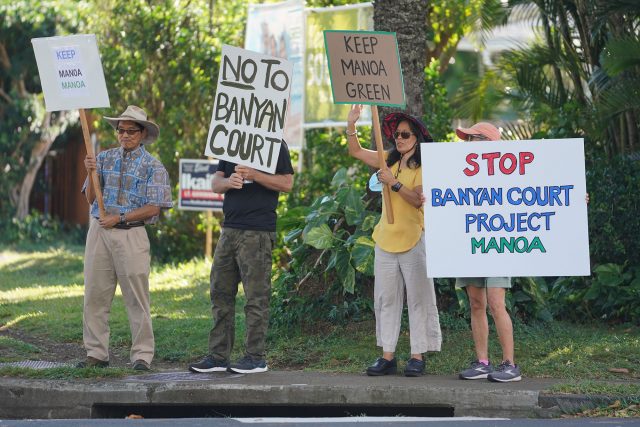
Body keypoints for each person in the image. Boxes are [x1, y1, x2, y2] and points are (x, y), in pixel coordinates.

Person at [346, 104, 442, 377]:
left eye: (405, 134)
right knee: (386, 299)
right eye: (397, 135)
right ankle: (387, 356)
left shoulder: (424, 167)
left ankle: (417, 355)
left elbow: (417, 200)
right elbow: (356, 151)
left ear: (417, 138)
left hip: (414, 239)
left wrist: (394, 183)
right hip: (385, 240)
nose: (399, 138)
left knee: (419, 299)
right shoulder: (389, 159)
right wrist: (351, 124)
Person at [78, 105, 173, 371]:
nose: (125, 135)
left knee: (137, 298)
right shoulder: (103, 159)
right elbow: (89, 199)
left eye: (132, 131)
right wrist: (90, 172)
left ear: (143, 134)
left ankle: (142, 355)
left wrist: (120, 218)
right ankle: (96, 354)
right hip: (99, 232)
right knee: (95, 294)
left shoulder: (154, 167)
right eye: (121, 130)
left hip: (132, 235)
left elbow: (155, 207)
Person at [188, 141, 294, 374]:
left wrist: (255, 175)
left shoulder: (275, 143)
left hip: (258, 231)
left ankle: (256, 358)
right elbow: (216, 183)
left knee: (256, 297)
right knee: (219, 292)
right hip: (229, 229)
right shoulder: (234, 141)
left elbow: (287, 183)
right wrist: (229, 182)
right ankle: (218, 357)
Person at [454, 122, 522, 383]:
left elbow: (539, 192)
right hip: (470, 245)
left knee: (495, 302)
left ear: (488, 142)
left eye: (473, 138)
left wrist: (575, 199)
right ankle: (482, 362)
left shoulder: (509, 173)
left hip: (497, 246)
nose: (468, 143)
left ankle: (509, 364)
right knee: (476, 303)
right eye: (468, 139)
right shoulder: (460, 173)